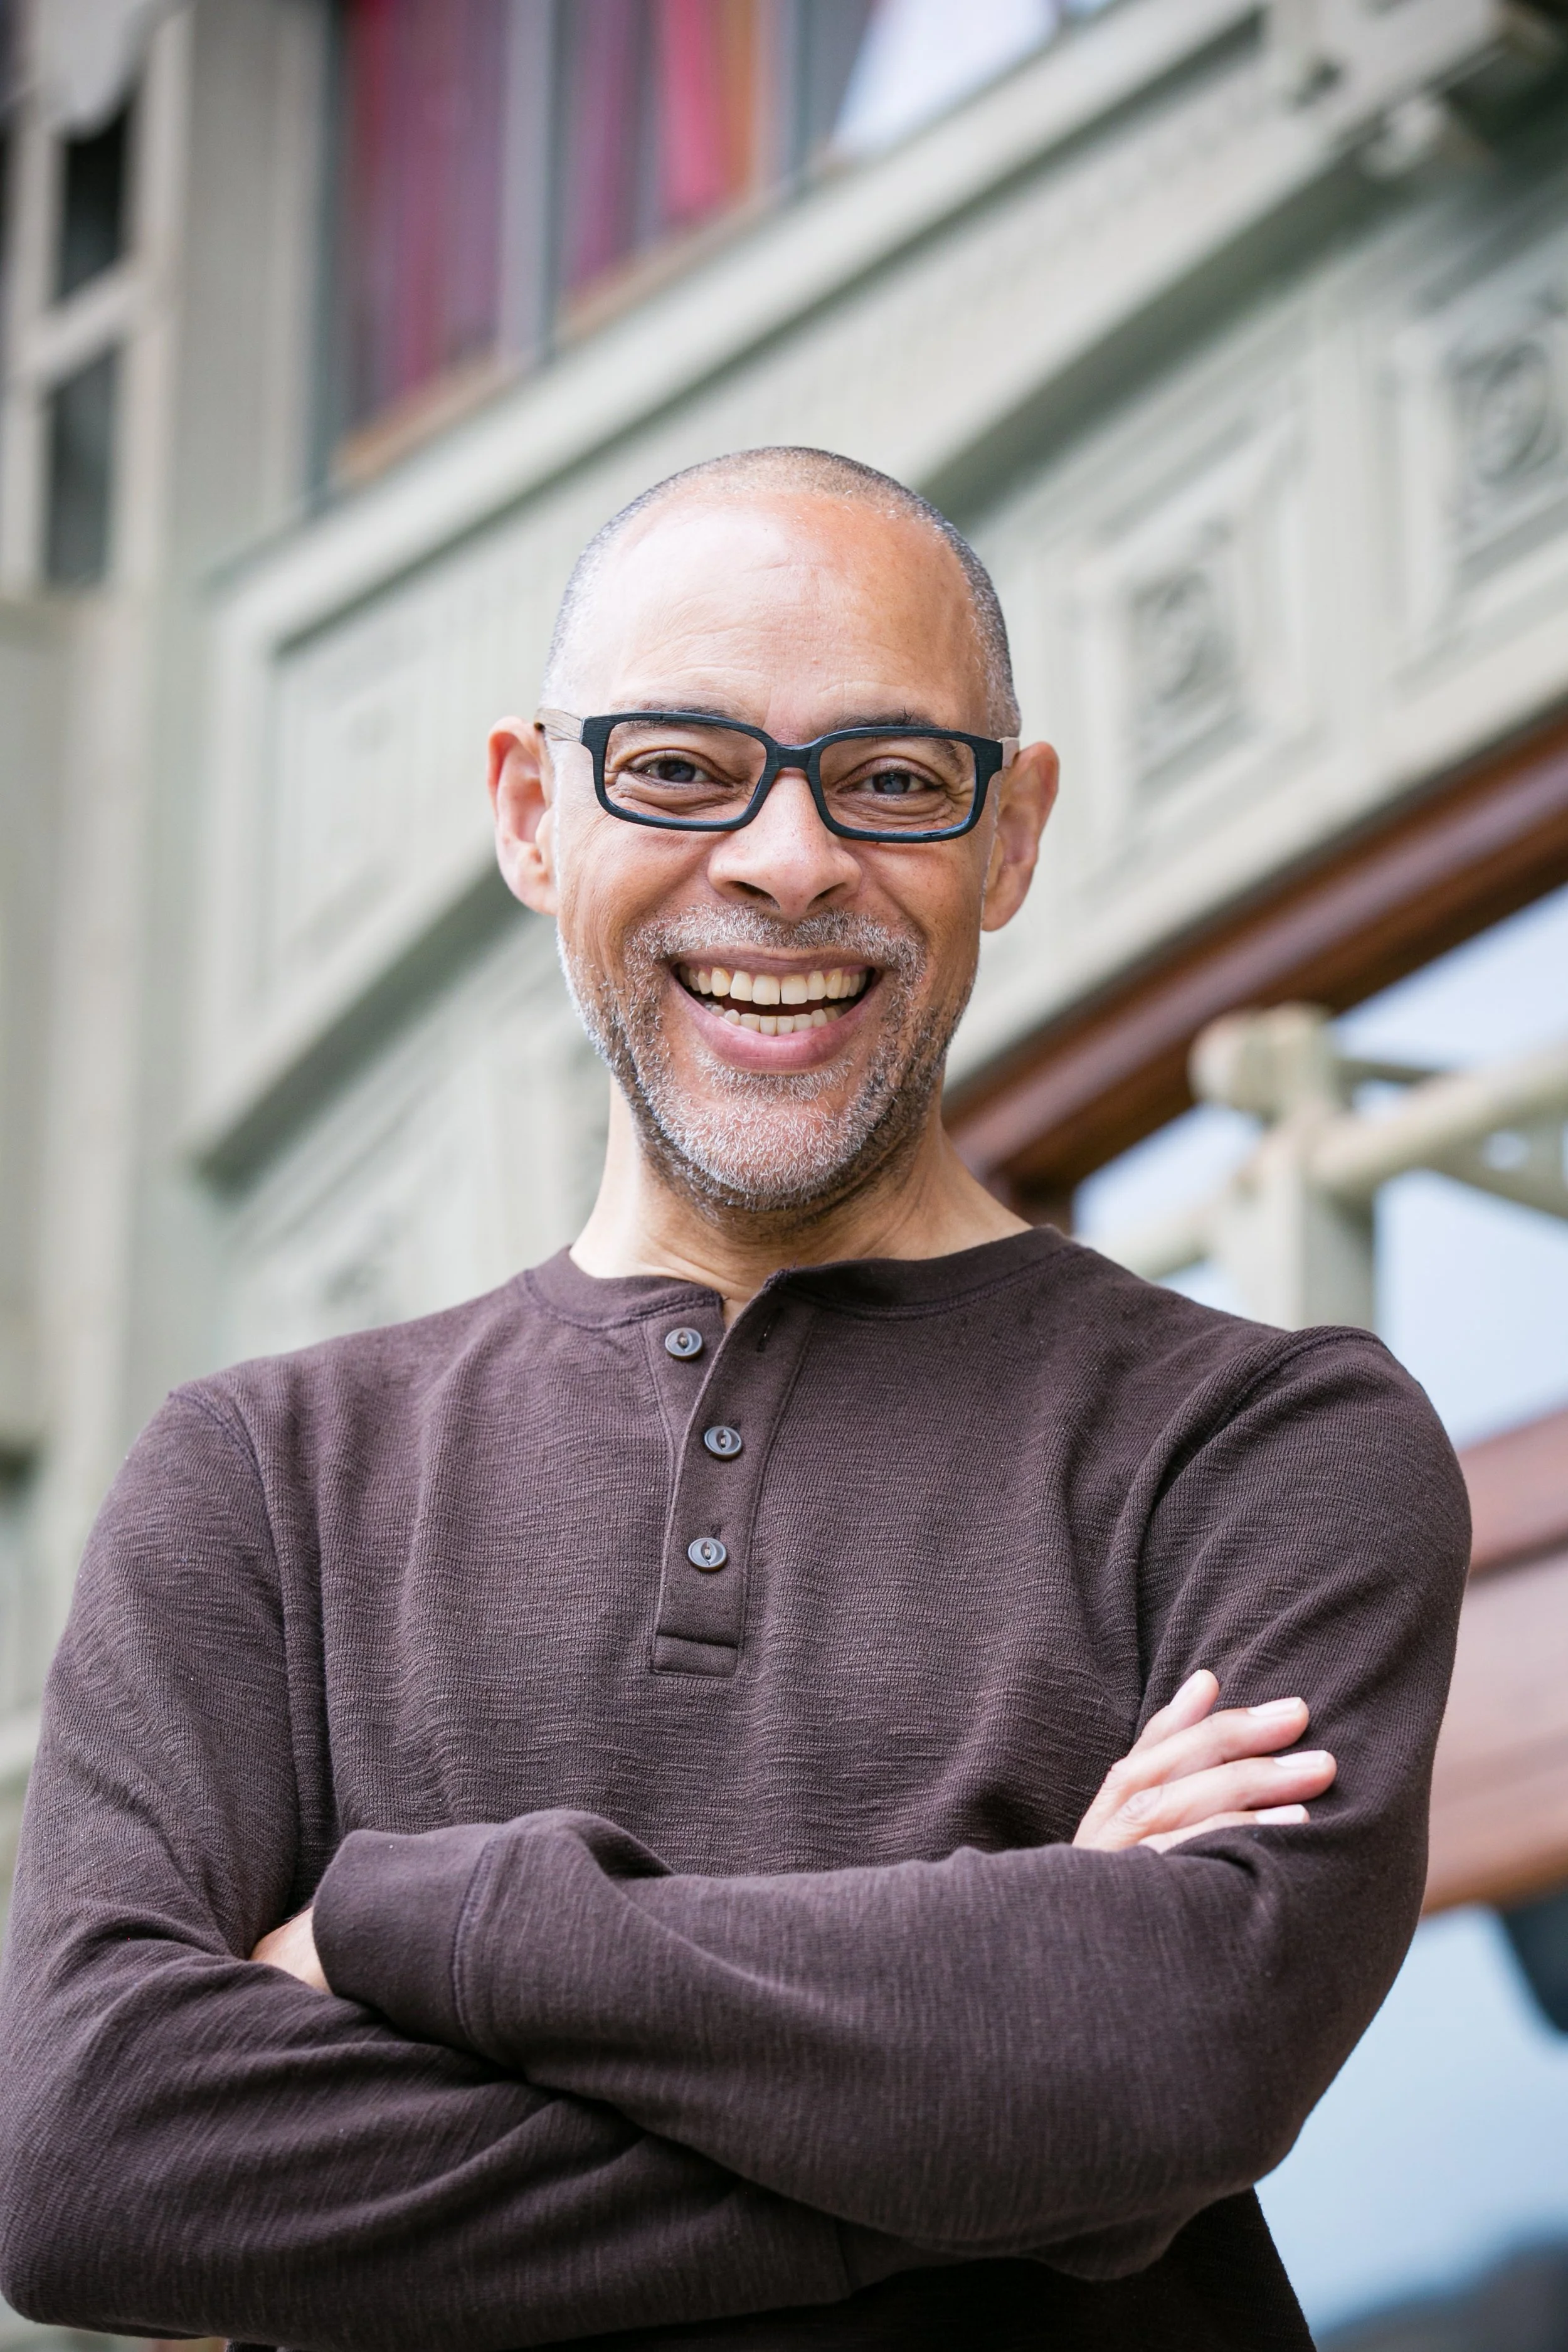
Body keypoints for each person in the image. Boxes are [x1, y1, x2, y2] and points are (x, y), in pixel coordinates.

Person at [0, 449, 1469, 2352]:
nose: (786, 860)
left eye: (887, 777)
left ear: (1009, 836)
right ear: (534, 811)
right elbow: (96, 2162)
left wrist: (413, 1927)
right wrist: (999, 2133)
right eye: (679, 769)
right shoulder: (257, 1479)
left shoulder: (1265, 1444)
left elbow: (1169, 2058)